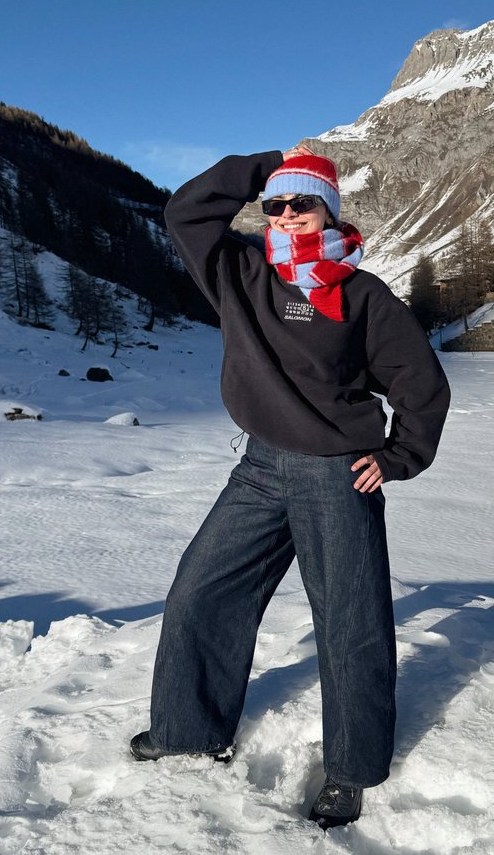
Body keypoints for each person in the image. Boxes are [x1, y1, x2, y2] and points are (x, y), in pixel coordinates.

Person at [129, 146, 451, 829]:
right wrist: (269, 166)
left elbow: (422, 385)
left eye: (300, 202)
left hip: (337, 474)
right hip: (259, 466)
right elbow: (185, 212)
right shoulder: (239, 271)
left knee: (351, 623)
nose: (285, 214)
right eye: (275, 204)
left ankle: (351, 769)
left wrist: (399, 457)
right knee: (201, 590)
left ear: (327, 210)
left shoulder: (363, 297)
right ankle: (188, 730)